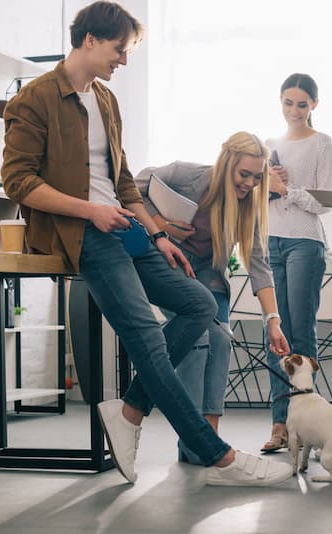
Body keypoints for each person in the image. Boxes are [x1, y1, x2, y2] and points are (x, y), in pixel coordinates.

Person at [1, 1, 291, 487]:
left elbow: (125, 184)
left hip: (126, 231)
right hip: (84, 233)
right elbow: (18, 181)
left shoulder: (105, 100)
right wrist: (91, 210)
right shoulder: (34, 99)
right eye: (120, 50)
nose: (124, 61)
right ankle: (218, 455)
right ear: (90, 39)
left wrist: (156, 234)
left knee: (200, 304)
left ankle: (130, 410)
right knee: (149, 341)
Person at [134, 132, 291, 464]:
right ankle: (194, 440)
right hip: (170, 263)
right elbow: (132, 188)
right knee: (199, 339)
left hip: (209, 272)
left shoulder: (250, 204)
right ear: (226, 162)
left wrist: (273, 321)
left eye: (256, 177)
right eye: (243, 174)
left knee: (221, 342)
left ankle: (209, 439)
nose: (249, 183)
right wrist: (159, 225)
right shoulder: (187, 174)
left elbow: (260, 265)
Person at [260, 73, 332, 452]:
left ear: (314, 106)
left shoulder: (322, 143)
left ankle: (306, 425)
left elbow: (323, 204)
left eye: (302, 104)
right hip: (269, 241)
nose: (294, 110)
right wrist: (265, 186)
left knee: (301, 335)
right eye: (288, 103)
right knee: (275, 335)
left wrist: (285, 189)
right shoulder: (269, 145)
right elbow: (255, 199)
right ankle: (280, 425)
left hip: (305, 242)